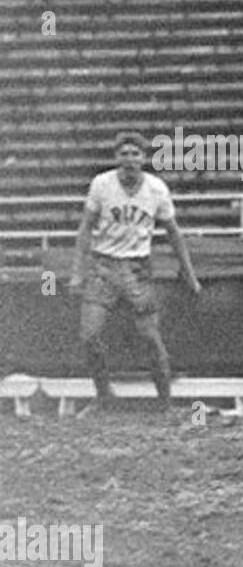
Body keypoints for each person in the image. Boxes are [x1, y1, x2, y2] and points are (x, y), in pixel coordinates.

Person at [70, 131, 203, 412]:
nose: (129, 159)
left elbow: (174, 234)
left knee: (150, 338)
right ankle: (104, 395)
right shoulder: (102, 184)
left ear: (144, 158)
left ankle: (166, 403)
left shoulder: (156, 189)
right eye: (124, 154)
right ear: (116, 157)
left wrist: (189, 274)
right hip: (103, 266)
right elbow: (85, 228)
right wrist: (77, 273)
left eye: (135, 154)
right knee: (89, 335)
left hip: (137, 268)